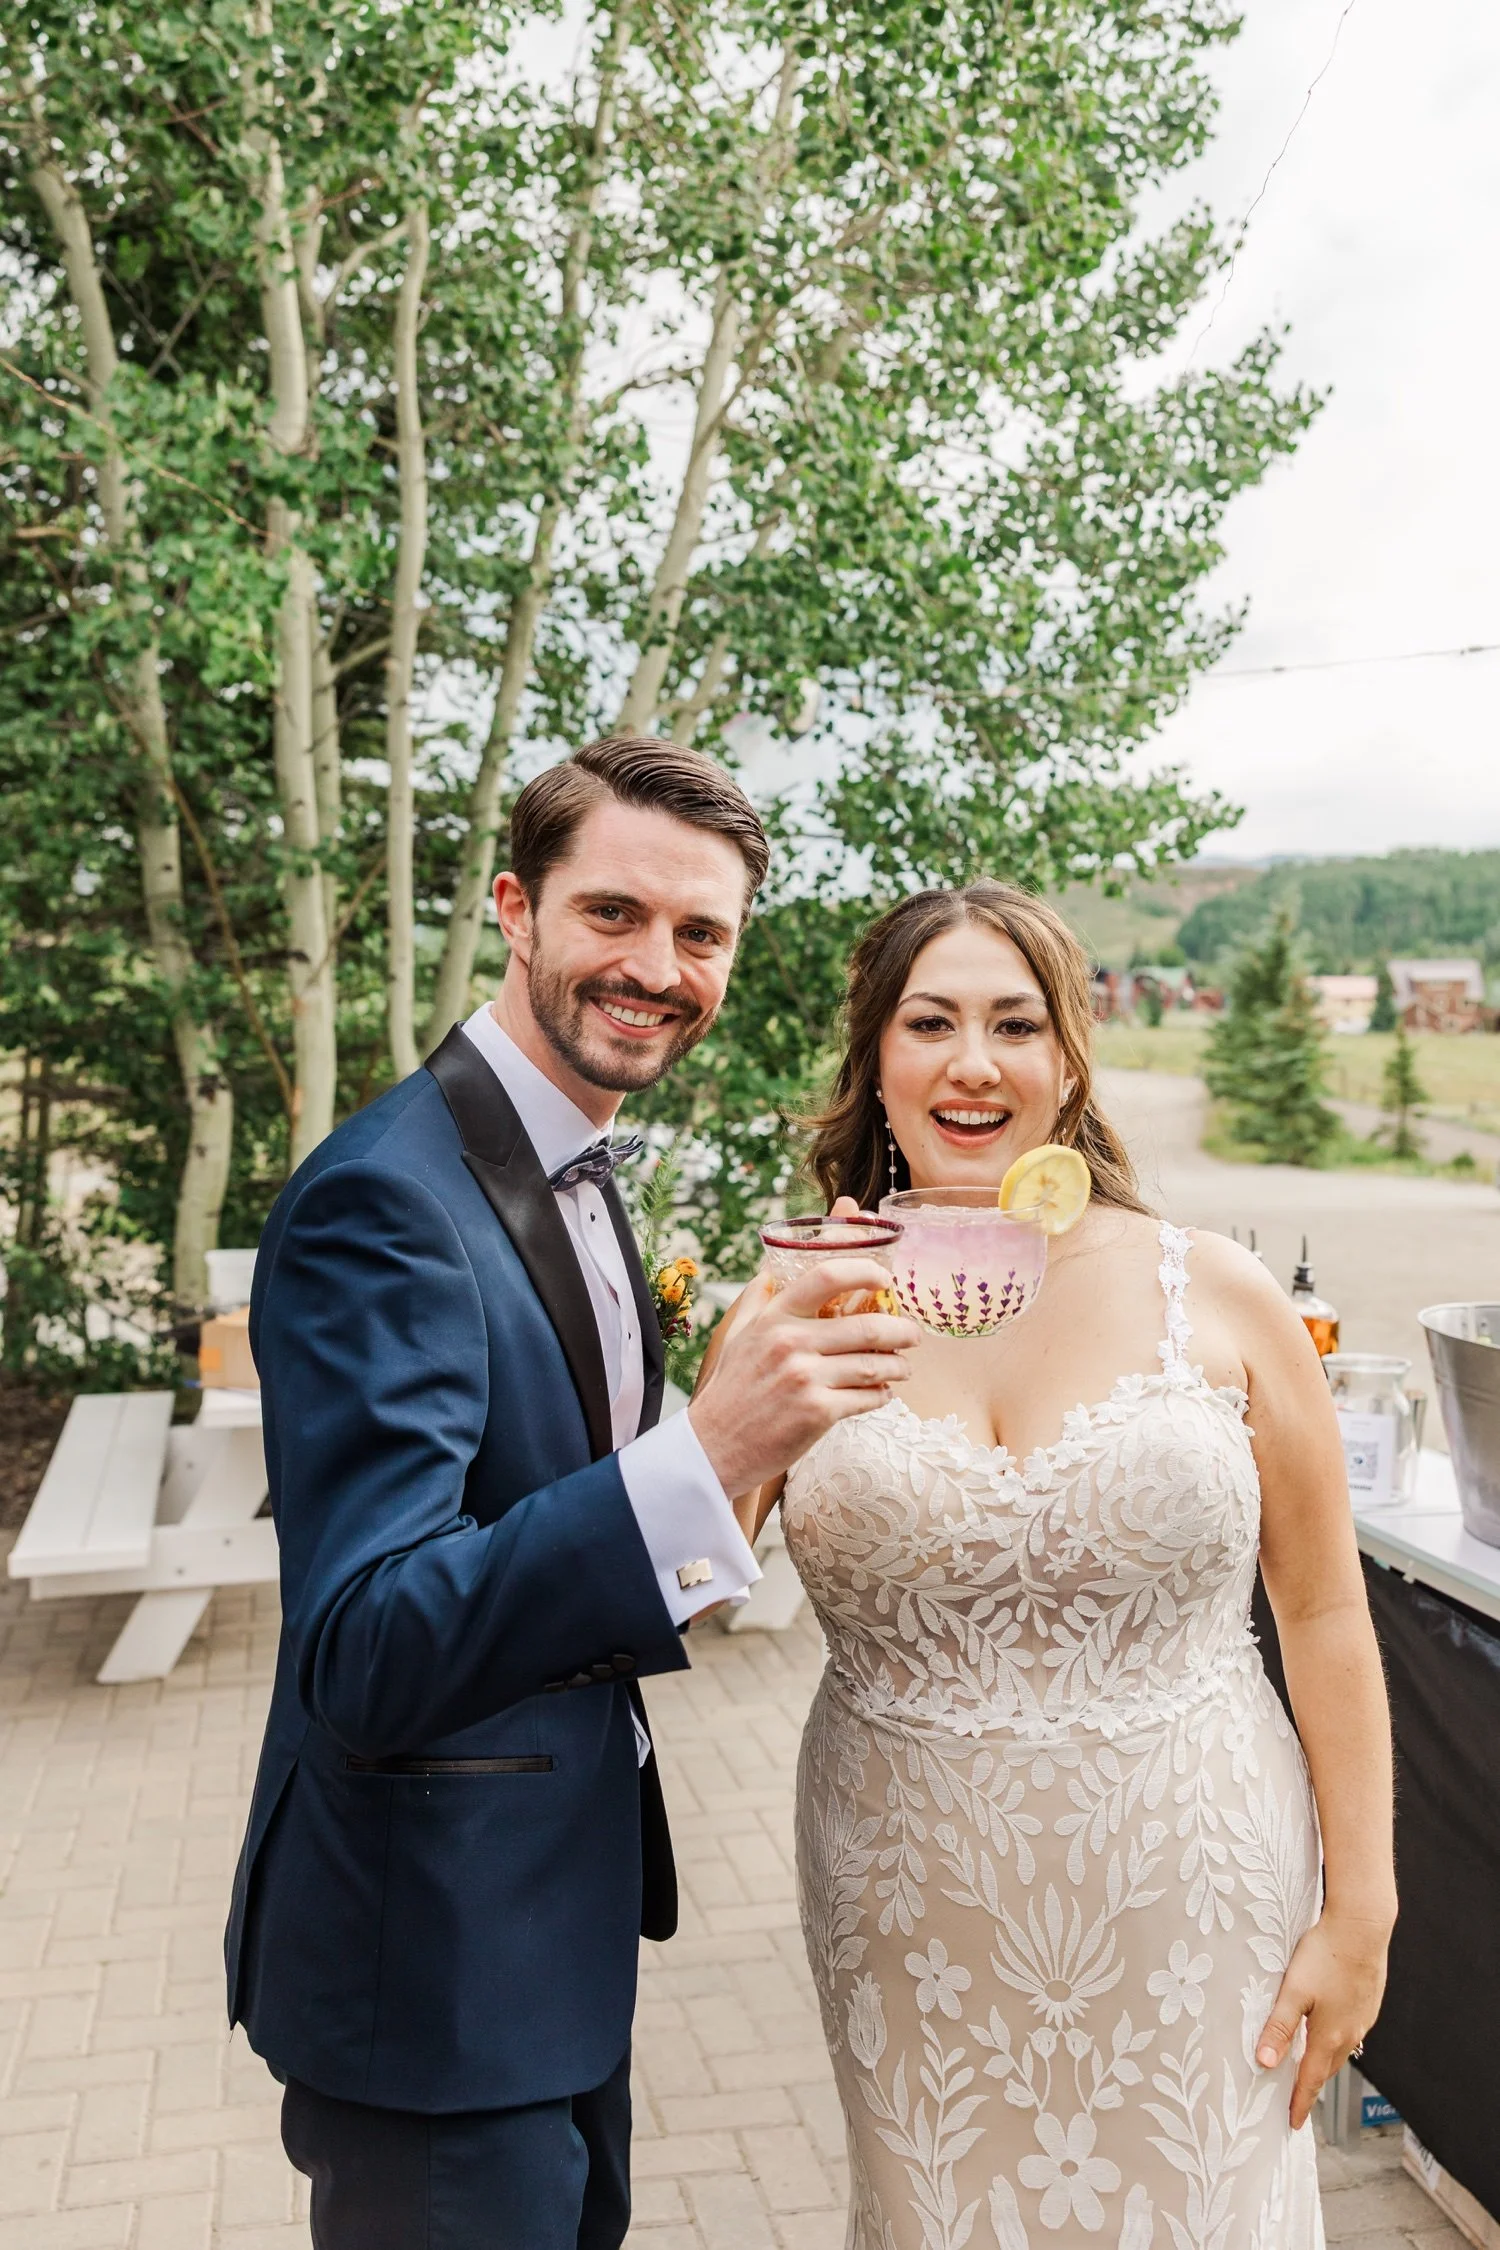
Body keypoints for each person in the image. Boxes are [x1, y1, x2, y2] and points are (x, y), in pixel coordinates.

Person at [224, 733, 920, 2250]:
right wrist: (711, 1448)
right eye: (614, 912)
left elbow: (567, 1513)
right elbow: (369, 1642)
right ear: (515, 908)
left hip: (543, 1946)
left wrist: (739, 1460)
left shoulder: (569, 1167)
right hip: (433, 1982)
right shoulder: (383, 1201)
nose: (656, 964)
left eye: (701, 933)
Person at [709, 881, 1395, 2248]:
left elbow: (1320, 1608)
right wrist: (745, 1383)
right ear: (877, 1063)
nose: (975, 1060)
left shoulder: (1219, 1293)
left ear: (1069, 1061)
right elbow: (684, 1580)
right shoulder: (795, 1305)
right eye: (931, 1022)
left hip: (1202, 1900)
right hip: (908, 1900)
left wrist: (1361, 1906)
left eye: (1015, 1023)